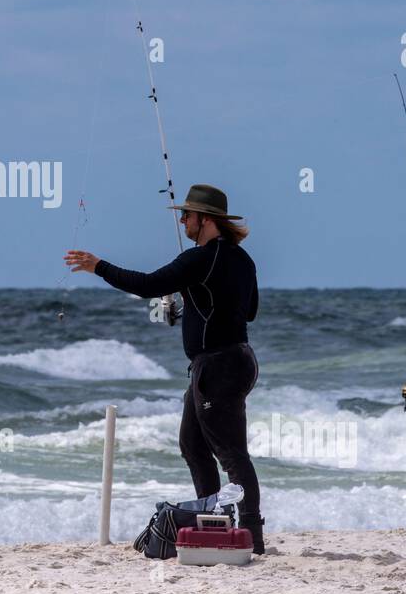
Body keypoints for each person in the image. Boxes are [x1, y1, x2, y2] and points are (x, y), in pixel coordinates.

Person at [64, 183, 265, 553]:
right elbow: (248, 310)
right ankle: (215, 523)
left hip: (217, 366)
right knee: (192, 444)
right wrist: (195, 294)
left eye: (187, 215)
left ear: (205, 220)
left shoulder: (200, 259)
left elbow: (149, 284)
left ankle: (252, 535)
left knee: (231, 453)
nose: (183, 221)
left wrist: (98, 267)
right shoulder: (242, 259)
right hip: (237, 360)